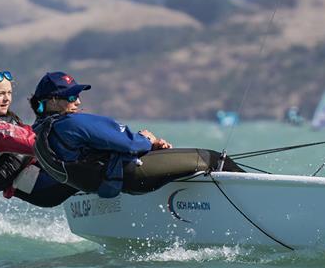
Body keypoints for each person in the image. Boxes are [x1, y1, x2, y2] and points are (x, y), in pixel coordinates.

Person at [30, 71, 243, 199]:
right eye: (71, 96)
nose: (78, 101)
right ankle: (266, 196)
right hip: (131, 175)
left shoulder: (42, 131)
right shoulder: (70, 123)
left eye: (78, 95)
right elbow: (131, 144)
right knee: (212, 159)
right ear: (53, 101)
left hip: (110, 183)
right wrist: (147, 140)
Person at [0, 70, 78, 207]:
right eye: (0, 94)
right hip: (40, 187)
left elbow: (31, 133)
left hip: (43, 175)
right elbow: (35, 144)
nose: (7, 99)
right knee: (96, 168)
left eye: (9, 93)